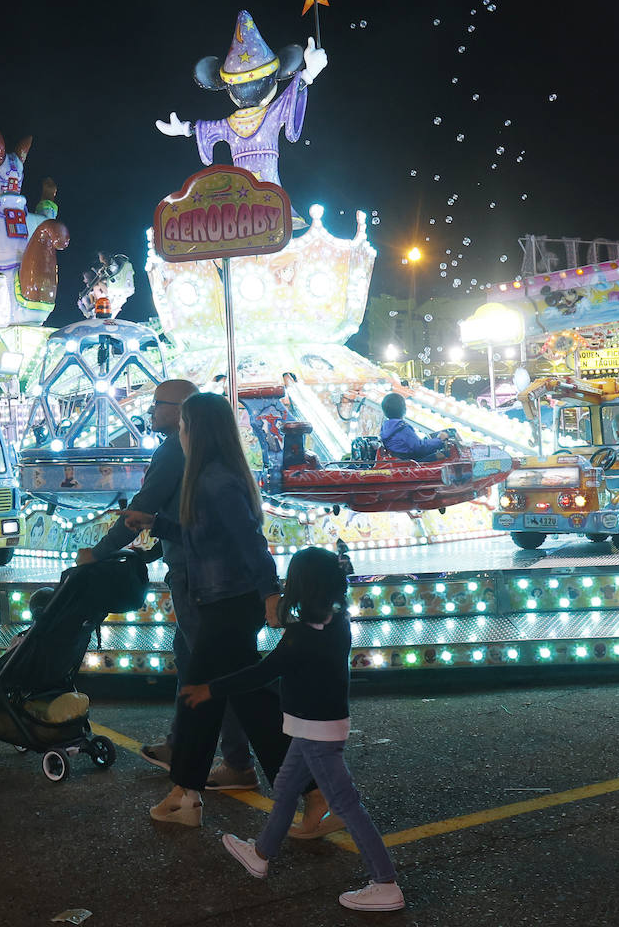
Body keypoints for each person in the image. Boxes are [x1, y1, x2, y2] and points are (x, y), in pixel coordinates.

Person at [123, 392, 326, 830]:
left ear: (196, 430)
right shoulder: (214, 478)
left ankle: (309, 794)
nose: (179, 433)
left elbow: (251, 539)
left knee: (222, 699)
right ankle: (189, 794)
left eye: (183, 427)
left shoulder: (215, 480)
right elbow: (205, 538)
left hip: (229, 605)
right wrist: (157, 525)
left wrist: (270, 593)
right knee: (222, 699)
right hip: (221, 602)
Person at [184, 546, 405, 912]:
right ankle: (260, 854)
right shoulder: (338, 621)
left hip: (316, 735)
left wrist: (210, 688)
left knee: (347, 806)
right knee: (286, 788)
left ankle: (385, 883)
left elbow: (261, 673)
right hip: (315, 728)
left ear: (302, 588)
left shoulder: (301, 636)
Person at [76, 378, 261, 791]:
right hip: (202, 573)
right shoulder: (205, 458)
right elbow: (197, 525)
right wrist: (158, 545)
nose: (153, 410)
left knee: (212, 669)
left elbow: (143, 511)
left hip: (202, 581)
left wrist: (98, 552)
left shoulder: (178, 453)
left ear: (183, 413)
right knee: (191, 658)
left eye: (160, 404)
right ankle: (184, 745)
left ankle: (237, 762)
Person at [378, 393, 448, 462]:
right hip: (410, 462)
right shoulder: (401, 428)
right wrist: (439, 440)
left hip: (400, 460)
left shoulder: (386, 427)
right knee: (445, 456)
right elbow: (420, 447)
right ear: (404, 409)